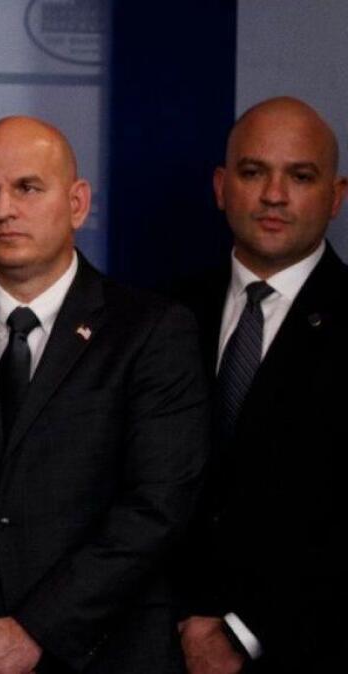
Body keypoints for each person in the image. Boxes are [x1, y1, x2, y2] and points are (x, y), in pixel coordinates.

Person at [0, 116, 208, 673]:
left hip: (104, 652)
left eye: (27, 188)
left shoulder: (152, 332)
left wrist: (34, 631)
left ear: (77, 203)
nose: (4, 209)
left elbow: (157, 507)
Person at [174, 96, 347, 672]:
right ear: (222, 186)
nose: (274, 195)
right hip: (153, 646)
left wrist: (244, 633)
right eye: (253, 173)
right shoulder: (162, 315)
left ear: (337, 196)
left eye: (301, 176)